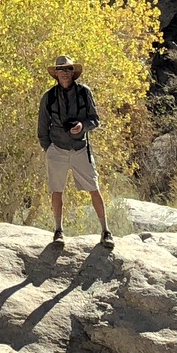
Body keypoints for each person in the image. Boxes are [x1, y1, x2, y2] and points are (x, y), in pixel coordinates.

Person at [37, 55, 113, 248]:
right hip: (57, 150)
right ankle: (58, 230)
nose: (64, 73)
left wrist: (82, 126)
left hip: (80, 149)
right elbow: (42, 128)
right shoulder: (49, 97)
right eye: (61, 70)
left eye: (68, 69)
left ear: (73, 72)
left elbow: (95, 120)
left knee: (94, 189)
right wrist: (50, 150)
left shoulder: (84, 93)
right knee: (57, 191)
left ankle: (105, 231)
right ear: (56, 74)